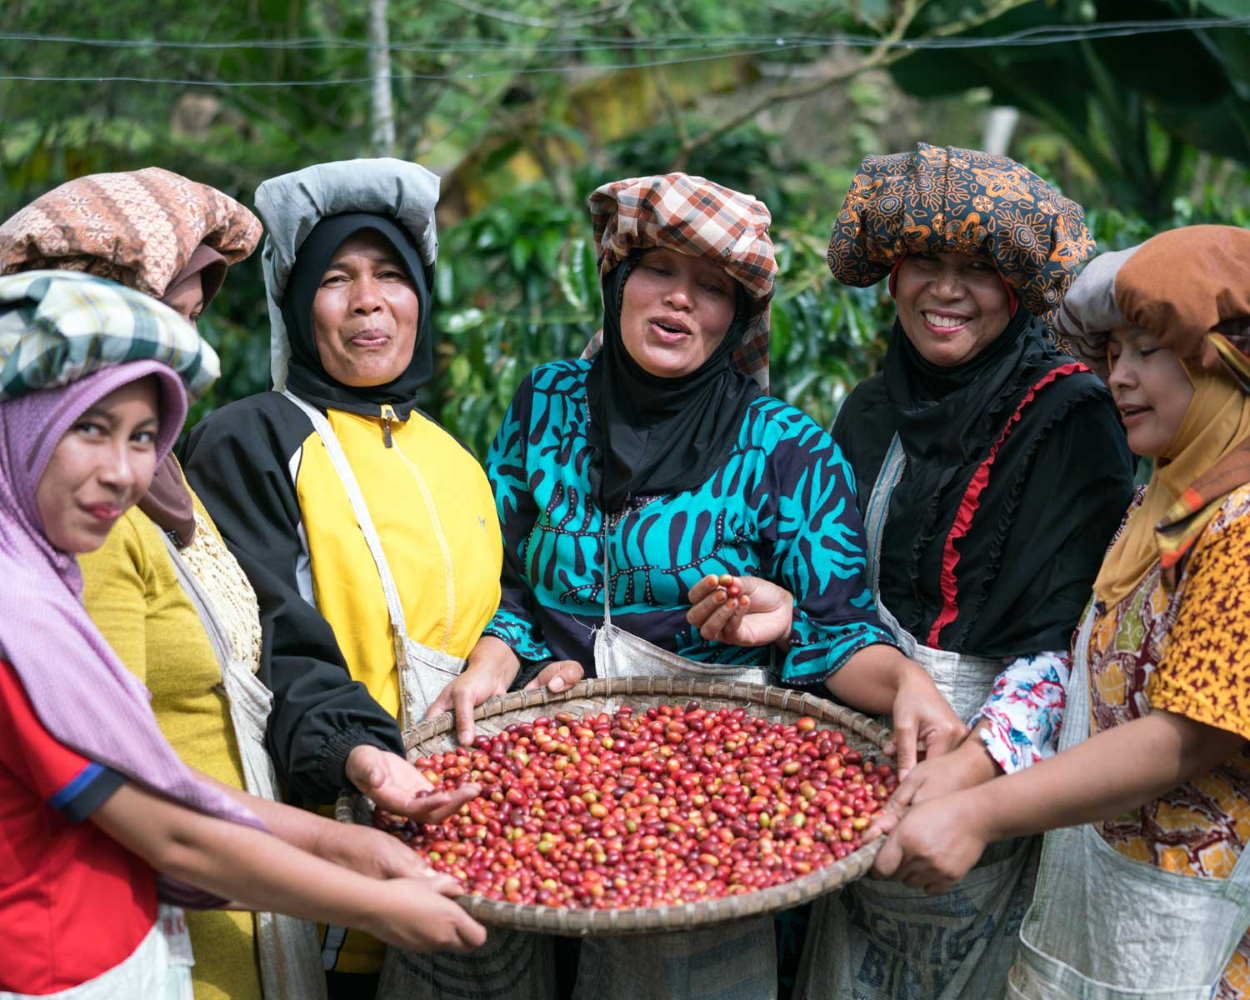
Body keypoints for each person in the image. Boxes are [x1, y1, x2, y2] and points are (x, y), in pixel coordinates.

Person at [430, 171, 966, 1000]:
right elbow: (507, 575)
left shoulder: (784, 448)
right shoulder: (548, 402)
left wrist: (895, 676)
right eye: (659, 272)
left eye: (711, 287)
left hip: (695, 801)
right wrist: (496, 659)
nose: (680, 301)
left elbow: (837, 630)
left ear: (738, 317)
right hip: (540, 756)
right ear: (616, 280)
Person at [0, 269, 486, 999]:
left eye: (142, 438)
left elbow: (162, 781)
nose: (122, 474)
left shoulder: (48, 584)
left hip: (123, 957)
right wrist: (375, 904)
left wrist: (343, 842)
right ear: (22, 426)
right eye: (88, 429)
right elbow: (170, 831)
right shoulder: (18, 624)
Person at [180, 158, 552, 996]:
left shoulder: (456, 460)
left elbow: (499, 615)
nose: (368, 301)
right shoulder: (254, 438)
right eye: (336, 279)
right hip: (330, 847)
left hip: (480, 851)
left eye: (390, 275)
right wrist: (360, 758)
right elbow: (264, 635)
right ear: (295, 303)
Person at [870, 224, 1250, 999]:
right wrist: (966, 772)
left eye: (1151, 351)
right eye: (1115, 353)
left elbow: (1181, 739)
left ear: (1230, 368)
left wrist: (981, 813)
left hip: (1196, 928)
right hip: (1110, 900)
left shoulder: (1242, 532)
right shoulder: (1163, 507)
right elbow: (1077, 670)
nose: (1120, 377)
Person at [793, 144, 1135, 999]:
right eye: (926, 263)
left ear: (1016, 289)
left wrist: (971, 777)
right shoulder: (871, 408)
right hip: (859, 755)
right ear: (892, 273)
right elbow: (833, 591)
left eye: (977, 268)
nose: (946, 290)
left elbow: (1068, 639)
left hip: (989, 772)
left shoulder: (1069, 414)